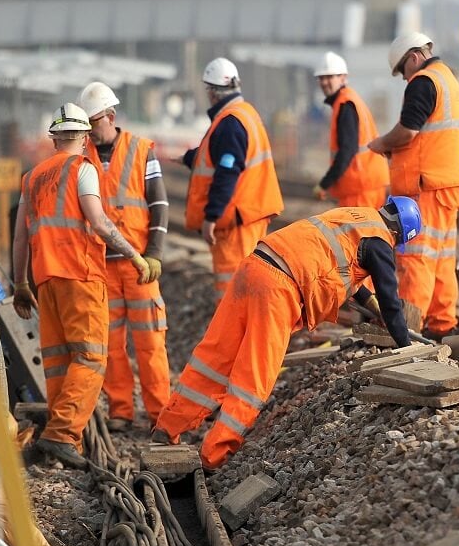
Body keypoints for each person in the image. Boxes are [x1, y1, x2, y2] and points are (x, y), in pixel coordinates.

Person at [153, 196, 421, 468]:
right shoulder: (380, 242)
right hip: (278, 289)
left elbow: (341, 267)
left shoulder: (354, 217)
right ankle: (214, 456)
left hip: (254, 266)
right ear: (399, 234)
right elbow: (391, 300)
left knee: (215, 356)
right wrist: (405, 344)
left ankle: (168, 426)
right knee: (253, 379)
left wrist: (369, 305)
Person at [11, 103, 152, 469]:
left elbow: (20, 237)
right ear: (85, 137)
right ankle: (61, 436)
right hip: (80, 275)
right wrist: (135, 255)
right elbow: (100, 223)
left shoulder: (32, 176)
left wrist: (21, 282)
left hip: (45, 280)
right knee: (90, 357)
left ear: (55, 137)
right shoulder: (82, 169)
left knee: (59, 363)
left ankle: (55, 443)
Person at [79, 82, 171, 432]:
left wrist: (155, 254)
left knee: (150, 343)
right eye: (85, 126)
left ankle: (159, 412)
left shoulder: (141, 150)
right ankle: (121, 410)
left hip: (139, 267)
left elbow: (159, 204)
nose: (90, 131)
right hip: (101, 267)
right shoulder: (80, 154)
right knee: (111, 345)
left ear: (111, 117)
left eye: (94, 123)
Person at [368, 32, 459, 342]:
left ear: (413, 57)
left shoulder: (423, 81)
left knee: (417, 258)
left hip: (427, 185)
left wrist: (382, 143)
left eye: (402, 70)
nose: (404, 78)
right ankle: (443, 325)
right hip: (448, 182)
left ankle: (410, 329)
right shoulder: (447, 79)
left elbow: (408, 132)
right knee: (440, 258)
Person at [182, 57, 284, 302]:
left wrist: (211, 217)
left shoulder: (229, 122)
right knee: (251, 282)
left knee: (235, 291)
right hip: (251, 213)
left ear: (212, 91)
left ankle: (239, 337)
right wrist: (187, 158)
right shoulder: (245, 114)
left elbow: (227, 169)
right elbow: (220, 153)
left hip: (235, 222)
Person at [311, 51, 389, 208]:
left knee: (358, 232)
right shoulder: (348, 100)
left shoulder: (346, 105)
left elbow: (347, 150)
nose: (325, 82)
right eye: (321, 78)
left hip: (360, 188)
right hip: (365, 185)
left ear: (343, 78)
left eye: (329, 77)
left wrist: (325, 183)